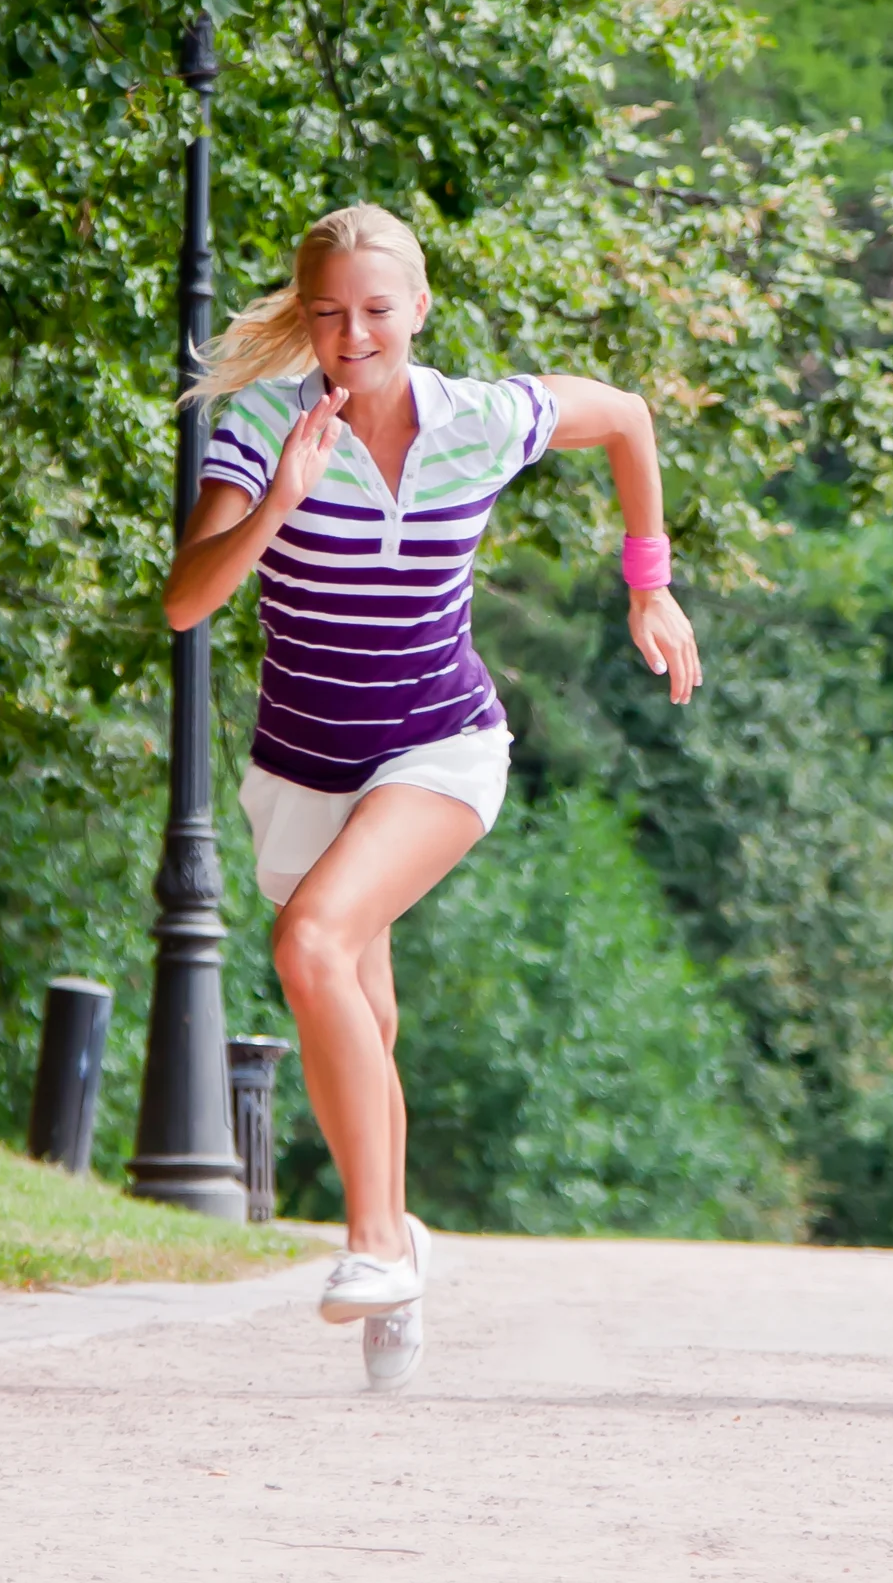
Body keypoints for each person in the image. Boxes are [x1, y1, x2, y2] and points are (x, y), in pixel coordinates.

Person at [162, 204, 703, 1391]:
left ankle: (368, 1246)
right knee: (358, 1003)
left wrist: (647, 586)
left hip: (442, 744)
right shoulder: (260, 423)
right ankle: (399, 1243)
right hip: (305, 761)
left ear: (418, 307)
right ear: (303, 321)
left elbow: (626, 417)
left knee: (310, 942)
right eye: (326, 313)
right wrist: (276, 500)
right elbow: (187, 601)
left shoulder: (480, 416)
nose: (351, 334)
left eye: (373, 308)